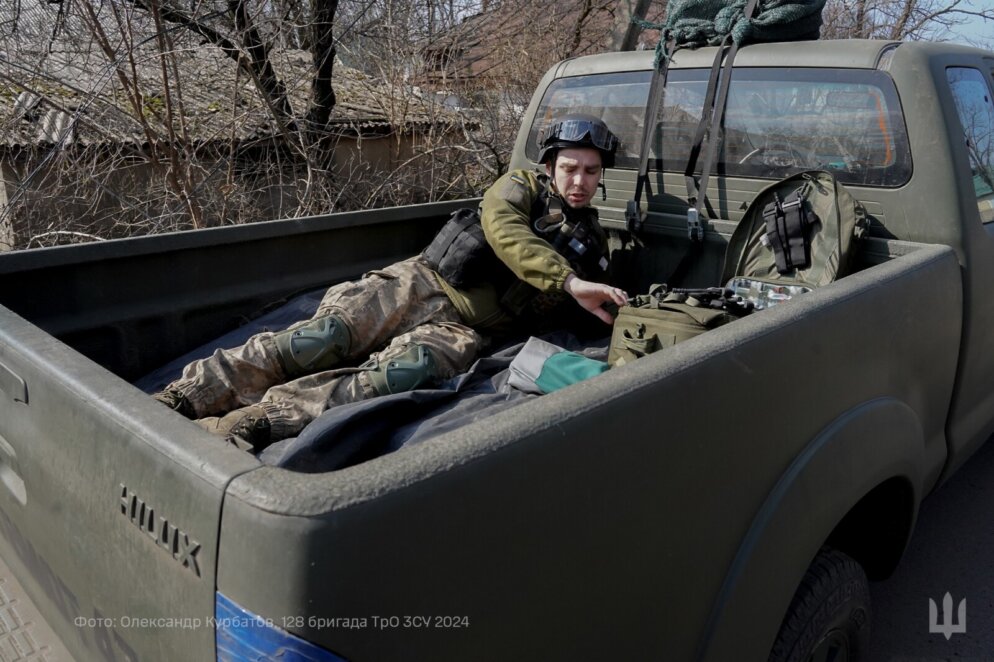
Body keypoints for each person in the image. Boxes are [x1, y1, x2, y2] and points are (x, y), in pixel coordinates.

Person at [153, 114, 628, 451]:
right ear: (550, 166)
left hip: (464, 331)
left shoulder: (592, 246)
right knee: (321, 339)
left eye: (590, 170)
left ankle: (257, 421)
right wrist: (567, 282)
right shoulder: (519, 187)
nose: (579, 180)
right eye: (569, 167)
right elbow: (503, 228)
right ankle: (189, 394)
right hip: (421, 282)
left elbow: (600, 308)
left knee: (395, 376)